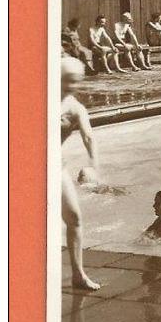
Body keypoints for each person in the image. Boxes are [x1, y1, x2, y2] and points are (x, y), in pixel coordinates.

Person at [60, 57, 100, 290]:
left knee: (74, 218)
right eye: (67, 81)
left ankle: (78, 274)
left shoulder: (76, 108)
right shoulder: (37, 97)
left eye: (75, 82)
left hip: (56, 168)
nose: (71, 86)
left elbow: (88, 136)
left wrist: (94, 164)